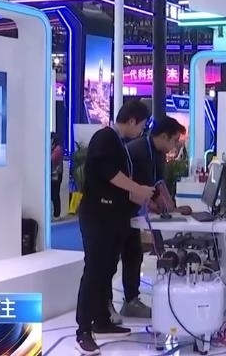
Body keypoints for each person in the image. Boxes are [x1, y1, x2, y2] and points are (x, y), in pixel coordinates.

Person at [75, 100, 158, 356]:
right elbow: (110, 173)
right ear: (132, 120)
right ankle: (83, 330)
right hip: (98, 217)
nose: (142, 130)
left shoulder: (118, 142)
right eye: (142, 125)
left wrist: (142, 196)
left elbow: (116, 181)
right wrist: (137, 189)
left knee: (107, 269)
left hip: (113, 218)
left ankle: (101, 320)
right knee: (95, 271)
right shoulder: (105, 138)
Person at [105, 116, 188, 322]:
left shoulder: (157, 153)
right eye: (174, 140)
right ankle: (104, 307)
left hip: (130, 212)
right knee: (109, 261)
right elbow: (142, 187)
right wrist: (163, 206)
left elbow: (158, 184)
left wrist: (172, 209)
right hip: (114, 211)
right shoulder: (140, 150)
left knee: (133, 254)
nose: (176, 145)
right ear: (164, 136)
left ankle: (131, 301)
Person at [50, 133, 64, 220]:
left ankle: (57, 214)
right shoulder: (53, 148)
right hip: (53, 174)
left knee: (55, 195)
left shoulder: (57, 149)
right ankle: (55, 213)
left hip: (56, 175)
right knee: (53, 194)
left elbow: (51, 158)